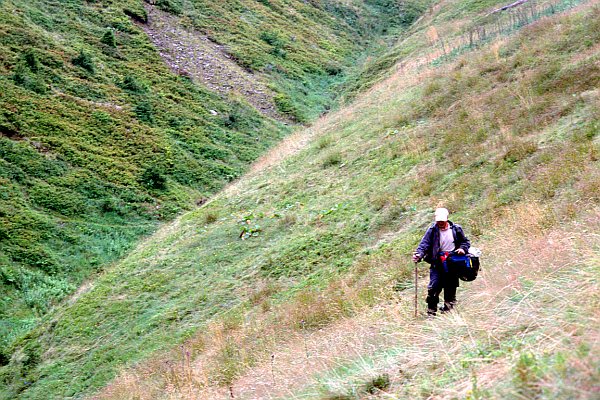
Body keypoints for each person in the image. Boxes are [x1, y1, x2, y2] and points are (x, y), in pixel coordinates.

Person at [412, 208, 470, 316]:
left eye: (442, 221)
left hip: (453, 263)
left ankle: (449, 311)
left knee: (450, 288)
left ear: (447, 219)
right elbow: (424, 244)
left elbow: (465, 242)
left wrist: (462, 249)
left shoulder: (456, 229)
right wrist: (419, 254)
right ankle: (431, 312)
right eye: (438, 221)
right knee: (433, 287)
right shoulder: (432, 230)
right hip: (437, 264)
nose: (440, 223)